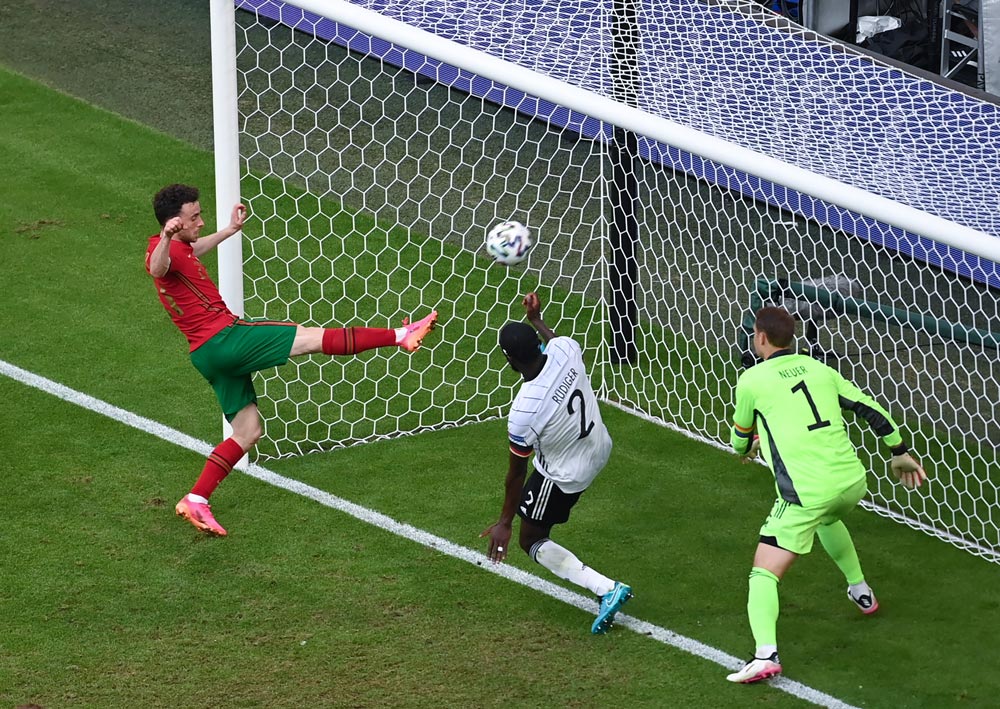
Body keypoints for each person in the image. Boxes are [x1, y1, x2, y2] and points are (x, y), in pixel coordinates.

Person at [145, 183, 438, 536]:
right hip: (226, 339)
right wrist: (164, 236)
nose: (201, 222)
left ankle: (196, 498)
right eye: (195, 217)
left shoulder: (183, 248)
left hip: (206, 355)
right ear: (174, 222)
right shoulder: (162, 250)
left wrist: (229, 231)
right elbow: (157, 267)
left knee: (248, 431)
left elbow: (192, 250)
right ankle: (400, 336)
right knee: (311, 338)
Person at [726, 306, 927, 683]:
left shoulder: (751, 380)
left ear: (761, 338)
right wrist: (898, 451)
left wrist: (750, 445)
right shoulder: (819, 369)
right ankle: (860, 589)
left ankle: (765, 654)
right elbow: (868, 407)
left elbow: (739, 442)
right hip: (851, 482)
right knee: (828, 518)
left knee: (763, 573)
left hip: (807, 493)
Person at [480, 292, 631, 634]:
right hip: (600, 445)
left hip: (566, 474)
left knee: (529, 539)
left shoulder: (524, 410)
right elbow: (556, 342)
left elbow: (516, 474)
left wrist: (505, 521)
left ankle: (606, 589)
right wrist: (537, 320)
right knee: (533, 521)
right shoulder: (566, 348)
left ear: (510, 361)